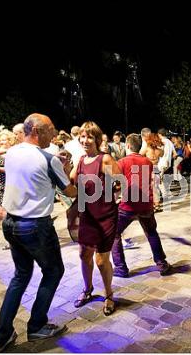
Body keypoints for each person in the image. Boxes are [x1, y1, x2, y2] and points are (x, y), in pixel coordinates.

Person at [0, 113, 77, 353]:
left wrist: (56, 164)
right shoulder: (48, 159)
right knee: (53, 271)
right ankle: (37, 324)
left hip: (11, 223)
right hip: (35, 225)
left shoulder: (13, 152)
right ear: (37, 131)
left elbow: (32, 176)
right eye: (51, 129)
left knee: (20, 275)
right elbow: (69, 191)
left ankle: (2, 335)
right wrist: (64, 167)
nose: (55, 132)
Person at [70, 121, 120, 315]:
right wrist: (65, 166)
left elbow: (120, 182)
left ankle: (109, 295)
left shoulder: (104, 159)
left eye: (89, 136)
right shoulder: (81, 160)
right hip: (87, 216)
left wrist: (109, 193)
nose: (85, 140)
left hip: (105, 216)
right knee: (84, 255)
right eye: (82, 136)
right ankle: (88, 289)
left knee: (101, 260)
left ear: (97, 139)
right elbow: (71, 182)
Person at [111, 133, 173, 277]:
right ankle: (162, 264)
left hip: (128, 206)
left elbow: (116, 182)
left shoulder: (122, 162)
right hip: (145, 204)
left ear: (127, 145)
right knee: (151, 233)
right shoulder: (147, 162)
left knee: (114, 234)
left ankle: (120, 268)